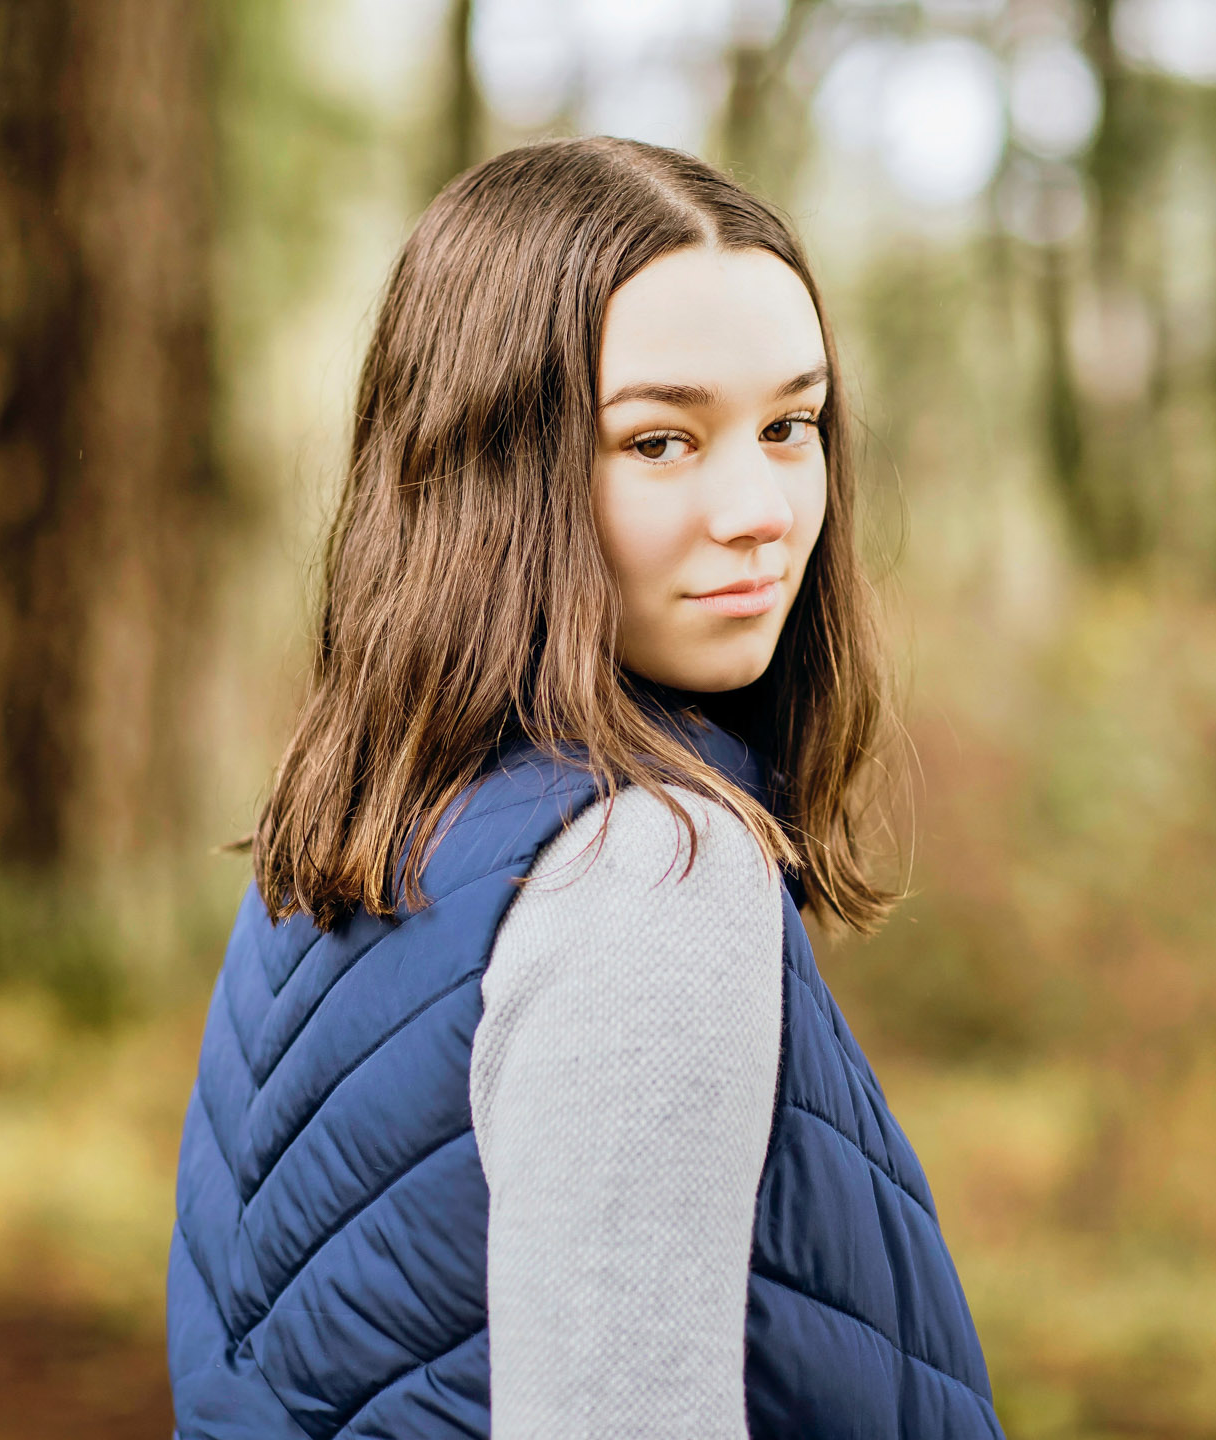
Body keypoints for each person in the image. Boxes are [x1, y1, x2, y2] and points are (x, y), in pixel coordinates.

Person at [167, 136, 1002, 1440]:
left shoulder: (355, 818)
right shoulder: (651, 876)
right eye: (663, 441)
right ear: (494, 470)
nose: (761, 509)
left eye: (791, 425)